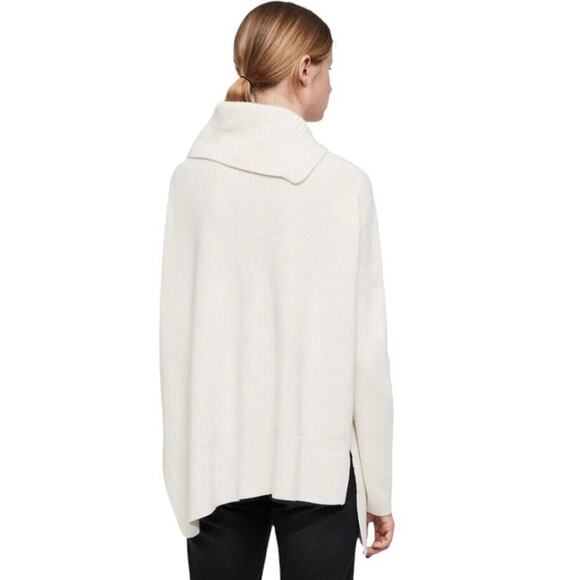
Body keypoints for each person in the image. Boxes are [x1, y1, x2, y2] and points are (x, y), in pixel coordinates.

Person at [159, 2, 395, 578]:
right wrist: (379, 489)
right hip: (318, 466)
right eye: (330, 68)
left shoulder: (192, 181)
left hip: (215, 465)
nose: (333, 84)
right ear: (304, 69)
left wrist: (181, 484)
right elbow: (367, 356)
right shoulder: (345, 186)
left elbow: (175, 341)